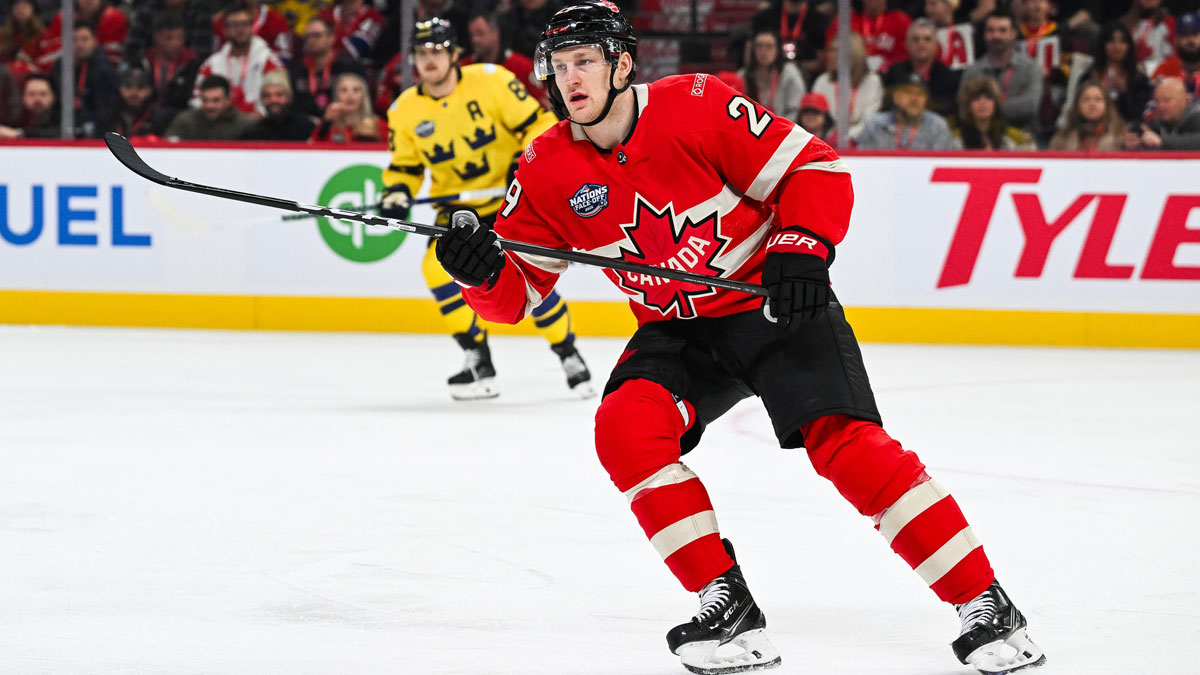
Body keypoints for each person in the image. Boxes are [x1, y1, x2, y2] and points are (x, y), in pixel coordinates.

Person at [433, 4, 1047, 675]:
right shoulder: (548, 166)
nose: (571, 79)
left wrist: (802, 245)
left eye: (585, 60)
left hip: (772, 304)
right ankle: (727, 606)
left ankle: (987, 604)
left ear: (622, 63)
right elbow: (517, 294)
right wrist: (481, 273)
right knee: (625, 428)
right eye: (560, 66)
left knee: (847, 446)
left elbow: (815, 168)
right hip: (677, 328)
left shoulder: (695, 105)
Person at [380, 18, 593, 400]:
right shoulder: (404, 110)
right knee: (437, 270)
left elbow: (541, 124)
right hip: (455, 212)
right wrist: (395, 191)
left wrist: (524, 162)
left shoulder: (492, 81)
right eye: (421, 53)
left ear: (455, 55)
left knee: (526, 278)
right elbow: (406, 166)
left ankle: (568, 352)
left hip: (508, 201)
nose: (429, 60)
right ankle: (478, 356)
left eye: (437, 51)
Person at [193, 3, 285, 116]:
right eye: (234, 25)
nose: (240, 29)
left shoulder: (268, 60)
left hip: (259, 125)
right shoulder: (212, 63)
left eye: (244, 24)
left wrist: (260, 114)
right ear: (225, 29)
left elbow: (281, 98)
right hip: (218, 124)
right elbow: (197, 99)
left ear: (252, 27)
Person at [959, 11, 1044, 133]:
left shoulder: (1030, 67)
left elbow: (1030, 106)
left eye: (1002, 31)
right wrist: (1015, 102)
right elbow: (965, 108)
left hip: (1024, 135)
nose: (996, 36)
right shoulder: (972, 71)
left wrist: (986, 108)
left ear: (1013, 33)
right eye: (991, 31)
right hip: (981, 135)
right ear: (984, 34)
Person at [465, 11, 550, 109]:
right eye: (472, 35)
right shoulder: (465, 68)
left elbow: (544, 104)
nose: (475, 40)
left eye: (480, 33)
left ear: (495, 32)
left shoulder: (522, 66)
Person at [883, 18, 961, 119]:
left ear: (936, 45)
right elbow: (887, 105)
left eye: (927, 39)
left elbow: (948, 110)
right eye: (915, 39)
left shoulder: (948, 77)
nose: (921, 43)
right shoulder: (894, 72)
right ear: (906, 44)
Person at [1076, 22, 1153, 125]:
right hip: (1092, 128)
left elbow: (1140, 116)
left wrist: (1125, 93)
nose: (1117, 47)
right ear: (1103, 45)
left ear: (1129, 46)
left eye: (1122, 41)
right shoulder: (1089, 77)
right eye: (1112, 41)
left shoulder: (1140, 80)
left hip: (1126, 130)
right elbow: (1078, 111)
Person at [290, 15, 367, 118]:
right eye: (308, 36)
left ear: (331, 37)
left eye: (316, 35)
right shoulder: (297, 70)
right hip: (307, 125)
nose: (311, 40)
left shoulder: (350, 66)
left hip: (343, 121)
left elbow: (362, 102)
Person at [811, 34, 883, 142]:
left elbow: (869, 120)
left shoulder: (872, 82)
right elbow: (816, 117)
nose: (832, 55)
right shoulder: (822, 81)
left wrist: (847, 137)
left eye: (839, 51)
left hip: (863, 140)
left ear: (855, 54)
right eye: (831, 50)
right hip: (827, 139)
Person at [49, 24, 117, 138]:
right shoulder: (60, 67)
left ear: (94, 41)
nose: (79, 45)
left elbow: (106, 108)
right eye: (74, 40)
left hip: (96, 129)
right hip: (62, 125)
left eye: (85, 39)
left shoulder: (103, 69)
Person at [857, 80, 957, 149]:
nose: (914, 99)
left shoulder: (937, 125)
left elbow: (946, 162)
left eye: (920, 94)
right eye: (908, 93)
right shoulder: (875, 124)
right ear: (896, 97)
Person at [138, 10, 203, 113]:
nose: (176, 43)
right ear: (156, 37)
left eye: (180, 38)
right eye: (169, 38)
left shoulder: (192, 64)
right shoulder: (143, 61)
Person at [824, 0, 912, 72]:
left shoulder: (901, 21)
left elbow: (906, 54)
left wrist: (886, 64)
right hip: (852, 74)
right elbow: (831, 50)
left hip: (889, 76)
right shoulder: (845, 19)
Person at [738, 28, 805, 120]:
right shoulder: (743, 75)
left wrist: (777, 129)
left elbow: (796, 110)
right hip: (751, 129)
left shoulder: (790, 74)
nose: (764, 51)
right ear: (753, 50)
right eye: (759, 46)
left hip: (784, 128)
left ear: (777, 50)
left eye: (769, 46)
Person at [953, 77, 1036, 149]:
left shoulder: (1015, 137)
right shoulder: (956, 139)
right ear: (968, 105)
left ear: (996, 104)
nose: (982, 103)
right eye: (976, 98)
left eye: (988, 98)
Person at [167, 73, 254, 140]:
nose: (209, 106)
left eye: (216, 100)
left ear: (228, 101)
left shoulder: (244, 125)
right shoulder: (186, 122)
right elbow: (169, 148)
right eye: (205, 100)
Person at [1124, 76, 1200, 149]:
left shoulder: (1196, 117)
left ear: (1183, 101)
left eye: (1167, 100)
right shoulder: (1156, 123)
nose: (1161, 106)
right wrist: (1133, 141)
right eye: (1157, 101)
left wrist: (1163, 141)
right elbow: (1145, 133)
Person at [1049, 79, 1125, 150]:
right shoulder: (1062, 138)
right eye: (1086, 99)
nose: (1092, 104)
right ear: (1077, 105)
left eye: (1098, 99)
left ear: (1107, 105)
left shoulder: (1120, 136)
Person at [310, 71, 385, 141]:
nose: (350, 95)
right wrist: (326, 122)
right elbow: (311, 147)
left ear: (363, 96)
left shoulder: (378, 125)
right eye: (344, 90)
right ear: (337, 96)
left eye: (356, 90)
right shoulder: (329, 127)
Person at [241, 69, 315, 140]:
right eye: (267, 96)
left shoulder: (306, 128)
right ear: (262, 100)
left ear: (288, 97)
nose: (273, 100)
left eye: (279, 95)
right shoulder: (254, 133)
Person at [110, 67, 177, 138]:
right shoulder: (110, 114)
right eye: (128, 86)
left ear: (149, 90)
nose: (134, 92)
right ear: (120, 89)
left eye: (140, 87)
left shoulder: (160, 116)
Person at [212, 0, 292, 58]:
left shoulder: (277, 20)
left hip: (266, 76)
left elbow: (284, 59)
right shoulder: (220, 22)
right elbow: (217, 59)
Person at [1151, 12, 1200, 101]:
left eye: (1195, 34)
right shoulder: (1165, 69)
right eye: (1185, 35)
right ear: (1176, 39)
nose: (1190, 40)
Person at [319, 0, 385, 64]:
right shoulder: (325, 14)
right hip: (324, 67)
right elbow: (315, 45)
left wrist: (330, 39)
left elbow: (356, 49)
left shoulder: (374, 16)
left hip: (359, 70)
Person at [0, 72, 59, 138]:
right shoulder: (13, 117)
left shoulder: (64, 119)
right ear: (23, 97)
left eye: (43, 94)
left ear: (53, 97)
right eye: (31, 94)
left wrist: (19, 133)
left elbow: (59, 133)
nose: (37, 99)